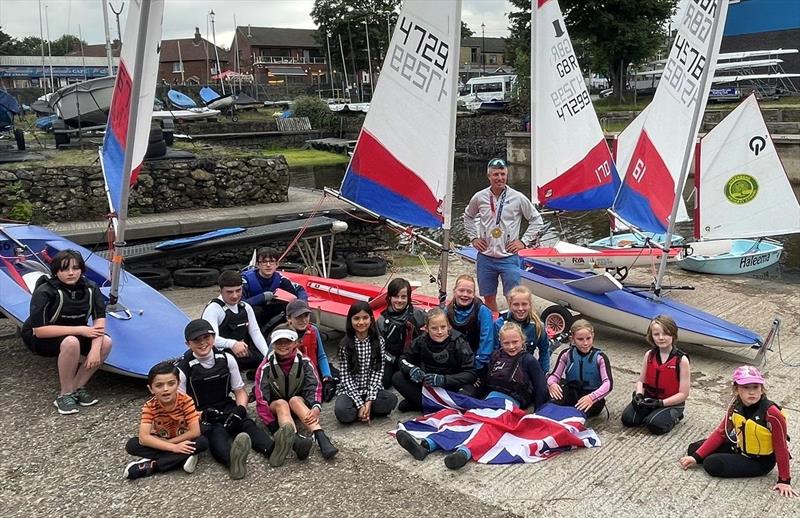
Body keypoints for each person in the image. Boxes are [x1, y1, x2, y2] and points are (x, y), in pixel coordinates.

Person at [395, 322, 549, 470]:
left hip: (509, 405)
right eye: (506, 343)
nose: (511, 346)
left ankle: (465, 453)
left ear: (523, 340)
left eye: (515, 342)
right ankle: (427, 445)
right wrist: (471, 399)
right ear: (500, 342)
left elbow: (541, 386)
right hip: (488, 401)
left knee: (489, 427)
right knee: (463, 419)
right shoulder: (496, 356)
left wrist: (538, 414)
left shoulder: (528, 360)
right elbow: (484, 381)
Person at [177, 319, 275, 479]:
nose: (202, 343)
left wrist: (240, 409)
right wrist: (201, 415)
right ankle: (232, 462)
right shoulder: (183, 370)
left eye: (206, 338)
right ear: (188, 344)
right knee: (216, 433)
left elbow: (240, 391)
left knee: (247, 424)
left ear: (213, 338)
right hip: (202, 413)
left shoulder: (227, 359)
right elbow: (179, 408)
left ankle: (272, 449)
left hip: (226, 405)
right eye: (196, 340)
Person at [679, 366, 796, 498]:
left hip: (760, 461)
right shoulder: (735, 405)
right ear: (736, 390)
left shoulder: (772, 413)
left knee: (711, 464)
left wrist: (784, 480)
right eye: (746, 387)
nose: (752, 392)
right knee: (693, 449)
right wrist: (695, 457)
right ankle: (706, 456)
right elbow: (721, 433)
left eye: (755, 387)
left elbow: (781, 447)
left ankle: (731, 461)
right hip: (740, 448)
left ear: (762, 389)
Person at [21, 249, 113, 415]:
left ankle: (77, 387)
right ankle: (64, 394)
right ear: (56, 271)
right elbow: (39, 331)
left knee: (106, 342)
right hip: (41, 337)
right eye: (64, 269)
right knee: (71, 342)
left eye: (76, 268)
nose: (71, 273)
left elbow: (99, 322)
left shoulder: (91, 288)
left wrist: (94, 351)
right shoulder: (45, 292)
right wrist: (80, 329)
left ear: (82, 270)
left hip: (77, 333)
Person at [463, 157, 544, 312]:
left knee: (514, 297)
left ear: (507, 175)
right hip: (485, 257)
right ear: (489, 176)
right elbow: (468, 216)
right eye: (495, 174)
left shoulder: (518, 198)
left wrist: (524, 242)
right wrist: (473, 238)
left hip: (509, 257)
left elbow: (537, 220)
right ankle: (493, 326)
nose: (499, 178)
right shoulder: (479, 197)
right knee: (488, 296)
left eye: (502, 174)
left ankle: (513, 329)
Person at [254, 326, 338, 466]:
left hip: (296, 401)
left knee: (295, 400)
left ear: (296, 343)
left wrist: (316, 406)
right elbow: (261, 399)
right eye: (279, 342)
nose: (283, 345)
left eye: (287, 341)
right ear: (273, 345)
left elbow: (314, 386)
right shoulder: (265, 367)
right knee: (282, 403)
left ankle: (320, 436)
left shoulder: (305, 362)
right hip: (277, 406)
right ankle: (294, 440)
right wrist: (273, 426)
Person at [123, 361, 209, 479]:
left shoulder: (186, 401)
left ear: (178, 384)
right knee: (132, 445)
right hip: (163, 441)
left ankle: (154, 465)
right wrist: (173, 447)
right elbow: (144, 438)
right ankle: (182, 458)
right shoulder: (149, 406)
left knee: (202, 442)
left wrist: (170, 443)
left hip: (182, 438)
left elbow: (194, 432)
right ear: (151, 388)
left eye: (171, 384)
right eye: (159, 385)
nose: (165, 389)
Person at [393, 308, 477, 412]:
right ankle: (435, 405)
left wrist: (444, 380)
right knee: (397, 377)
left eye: (443, 327)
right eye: (434, 328)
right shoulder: (420, 341)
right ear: (426, 329)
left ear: (448, 326)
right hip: (430, 385)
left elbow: (471, 373)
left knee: (468, 395)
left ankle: (423, 404)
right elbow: (403, 359)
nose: (440, 332)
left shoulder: (459, 342)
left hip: (453, 385)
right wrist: (411, 370)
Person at [621, 315, 690, 435]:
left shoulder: (681, 360)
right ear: (651, 336)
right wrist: (639, 394)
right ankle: (651, 412)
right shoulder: (649, 355)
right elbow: (641, 381)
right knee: (628, 420)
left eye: (666, 334)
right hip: (649, 399)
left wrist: (660, 403)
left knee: (654, 425)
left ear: (673, 335)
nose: (661, 338)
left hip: (670, 402)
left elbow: (683, 394)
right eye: (656, 334)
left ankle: (677, 416)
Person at [334, 301, 398, 424]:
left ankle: (365, 411)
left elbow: (377, 373)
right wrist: (359, 404)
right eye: (356, 318)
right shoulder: (345, 344)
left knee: (391, 400)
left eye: (365, 318)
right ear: (350, 320)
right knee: (341, 411)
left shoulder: (378, 342)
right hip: (350, 392)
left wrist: (368, 402)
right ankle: (362, 412)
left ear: (371, 319)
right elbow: (346, 378)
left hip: (371, 390)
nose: (361, 322)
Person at [201, 270, 269, 372]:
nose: (235, 296)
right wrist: (232, 344)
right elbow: (210, 340)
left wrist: (267, 356)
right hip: (220, 356)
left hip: (242, 352)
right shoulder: (213, 309)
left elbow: (255, 333)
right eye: (229, 292)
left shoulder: (246, 307)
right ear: (220, 290)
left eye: (238, 290)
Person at [547, 319, 613, 418]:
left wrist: (592, 397)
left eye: (588, 338)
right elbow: (555, 376)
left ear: (593, 336)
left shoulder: (600, 358)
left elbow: (608, 384)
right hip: (572, 392)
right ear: (572, 338)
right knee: (550, 405)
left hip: (592, 397)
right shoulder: (566, 354)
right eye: (580, 339)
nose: (585, 343)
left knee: (577, 414)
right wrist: (552, 384)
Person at [241, 246, 308, 334]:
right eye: (264, 262)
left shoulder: (279, 278)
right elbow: (239, 303)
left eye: (272, 261)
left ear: (277, 264)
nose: (268, 265)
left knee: (286, 307)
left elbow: (299, 289)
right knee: (257, 310)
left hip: (266, 308)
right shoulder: (245, 279)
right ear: (257, 264)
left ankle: (278, 333)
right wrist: (262, 297)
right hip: (247, 312)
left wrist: (302, 304)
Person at [377, 278, 427, 389]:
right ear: (389, 297)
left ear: (408, 297)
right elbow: (379, 349)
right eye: (396, 296)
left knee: (421, 378)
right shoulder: (381, 321)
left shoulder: (418, 314)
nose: (399, 300)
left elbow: (436, 322)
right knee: (383, 383)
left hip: (413, 358)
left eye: (403, 297)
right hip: (392, 359)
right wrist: (396, 361)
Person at [284, 299, 336, 402]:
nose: (304, 320)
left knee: (333, 381)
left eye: (306, 316)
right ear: (289, 319)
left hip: (312, 373)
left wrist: (327, 377)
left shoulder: (314, 330)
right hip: (291, 377)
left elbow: (321, 356)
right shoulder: (282, 335)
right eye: (299, 317)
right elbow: (269, 359)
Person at [493, 285, 551, 372]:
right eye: (516, 305)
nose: (520, 308)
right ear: (510, 304)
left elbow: (544, 352)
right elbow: (493, 351)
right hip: (503, 370)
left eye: (524, 304)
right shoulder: (499, 324)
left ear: (530, 305)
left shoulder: (538, 326)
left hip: (526, 369)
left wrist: (543, 374)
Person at [445, 275, 494, 374]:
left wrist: (476, 365)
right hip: (453, 361)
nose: (465, 294)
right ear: (454, 291)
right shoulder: (447, 311)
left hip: (476, 362)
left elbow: (487, 341)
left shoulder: (483, 311)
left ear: (474, 294)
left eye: (469, 292)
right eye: (461, 290)